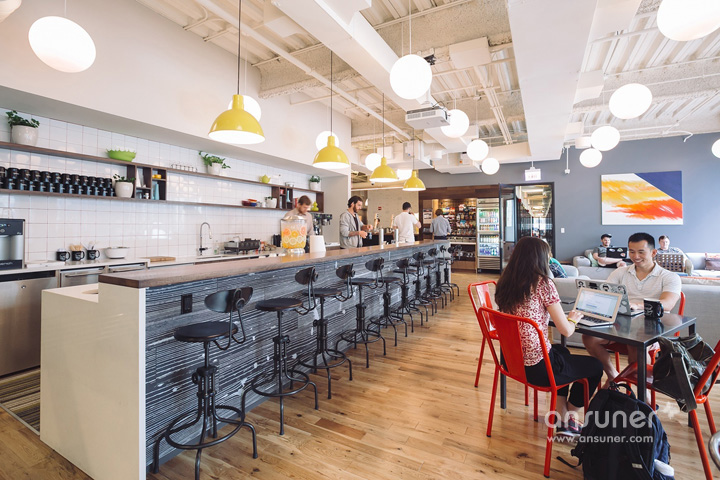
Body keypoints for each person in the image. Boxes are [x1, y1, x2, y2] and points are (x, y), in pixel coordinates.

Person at [495, 236, 603, 436]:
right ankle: (569, 416)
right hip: (538, 369)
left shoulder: (505, 282)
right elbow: (566, 331)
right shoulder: (543, 283)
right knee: (596, 366)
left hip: (511, 362)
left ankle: (560, 414)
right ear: (541, 258)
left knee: (562, 351)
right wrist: (573, 318)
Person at [582, 232, 681, 383]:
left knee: (635, 345)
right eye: (632, 252)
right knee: (589, 338)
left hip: (653, 327)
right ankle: (613, 376)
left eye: (641, 252)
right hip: (621, 325)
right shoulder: (620, 272)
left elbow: (667, 303)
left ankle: (644, 392)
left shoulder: (669, 277)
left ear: (654, 252)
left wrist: (637, 305)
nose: (636, 256)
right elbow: (605, 294)